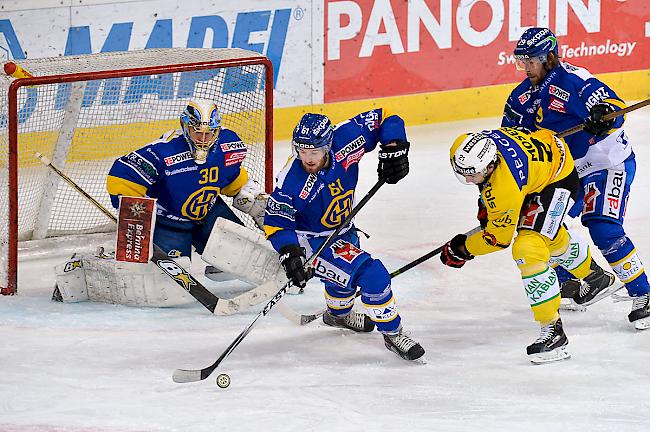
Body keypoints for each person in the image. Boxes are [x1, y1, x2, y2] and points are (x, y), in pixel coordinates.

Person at [501, 27, 649, 329]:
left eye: (532, 61)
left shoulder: (574, 80)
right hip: (565, 170)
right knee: (536, 224)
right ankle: (577, 282)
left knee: (603, 227)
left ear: (549, 57)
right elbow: (510, 138)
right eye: (522, 62)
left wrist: (601, 118)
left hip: (605, 162)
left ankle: (643, 294)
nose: (526, 68)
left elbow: (615, 109)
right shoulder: (520, 97)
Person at [263, 111, 425, 361]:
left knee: (342, 286)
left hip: (344, 229)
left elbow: (387, 120)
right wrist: (291, 253)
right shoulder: (291, 180)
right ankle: (393, 334)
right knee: (373, 275)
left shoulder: (348, 138)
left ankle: (337, 316)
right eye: (302, 151)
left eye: (314, 152)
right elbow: (276, 221)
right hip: (312, 241)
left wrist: (395, 147)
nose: (307, 158)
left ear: (328, 145)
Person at [441, 127, 607, 363]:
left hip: (558, 179)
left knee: (528, 248)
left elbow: (498, 239)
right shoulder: (469, 145)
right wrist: (487, 204)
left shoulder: (504, 188)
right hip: (544, 162)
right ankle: (595, 278)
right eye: (463, 174)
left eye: (472, 175)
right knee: (546, 232)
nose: (468, 179)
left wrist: (463, 249)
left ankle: (554, 333)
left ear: (490, 166)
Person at [106, 98, 268, 264]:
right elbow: (121, 176)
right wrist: (136, 220)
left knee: (243, 257)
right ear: (185, 127)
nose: (203, 139)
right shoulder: (163, 152)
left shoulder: (228, 145)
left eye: (209, 133)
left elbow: (231, 178)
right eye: (197, 132)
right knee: (174, 272)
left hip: (209, 213)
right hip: (168, 221)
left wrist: (253, 201)